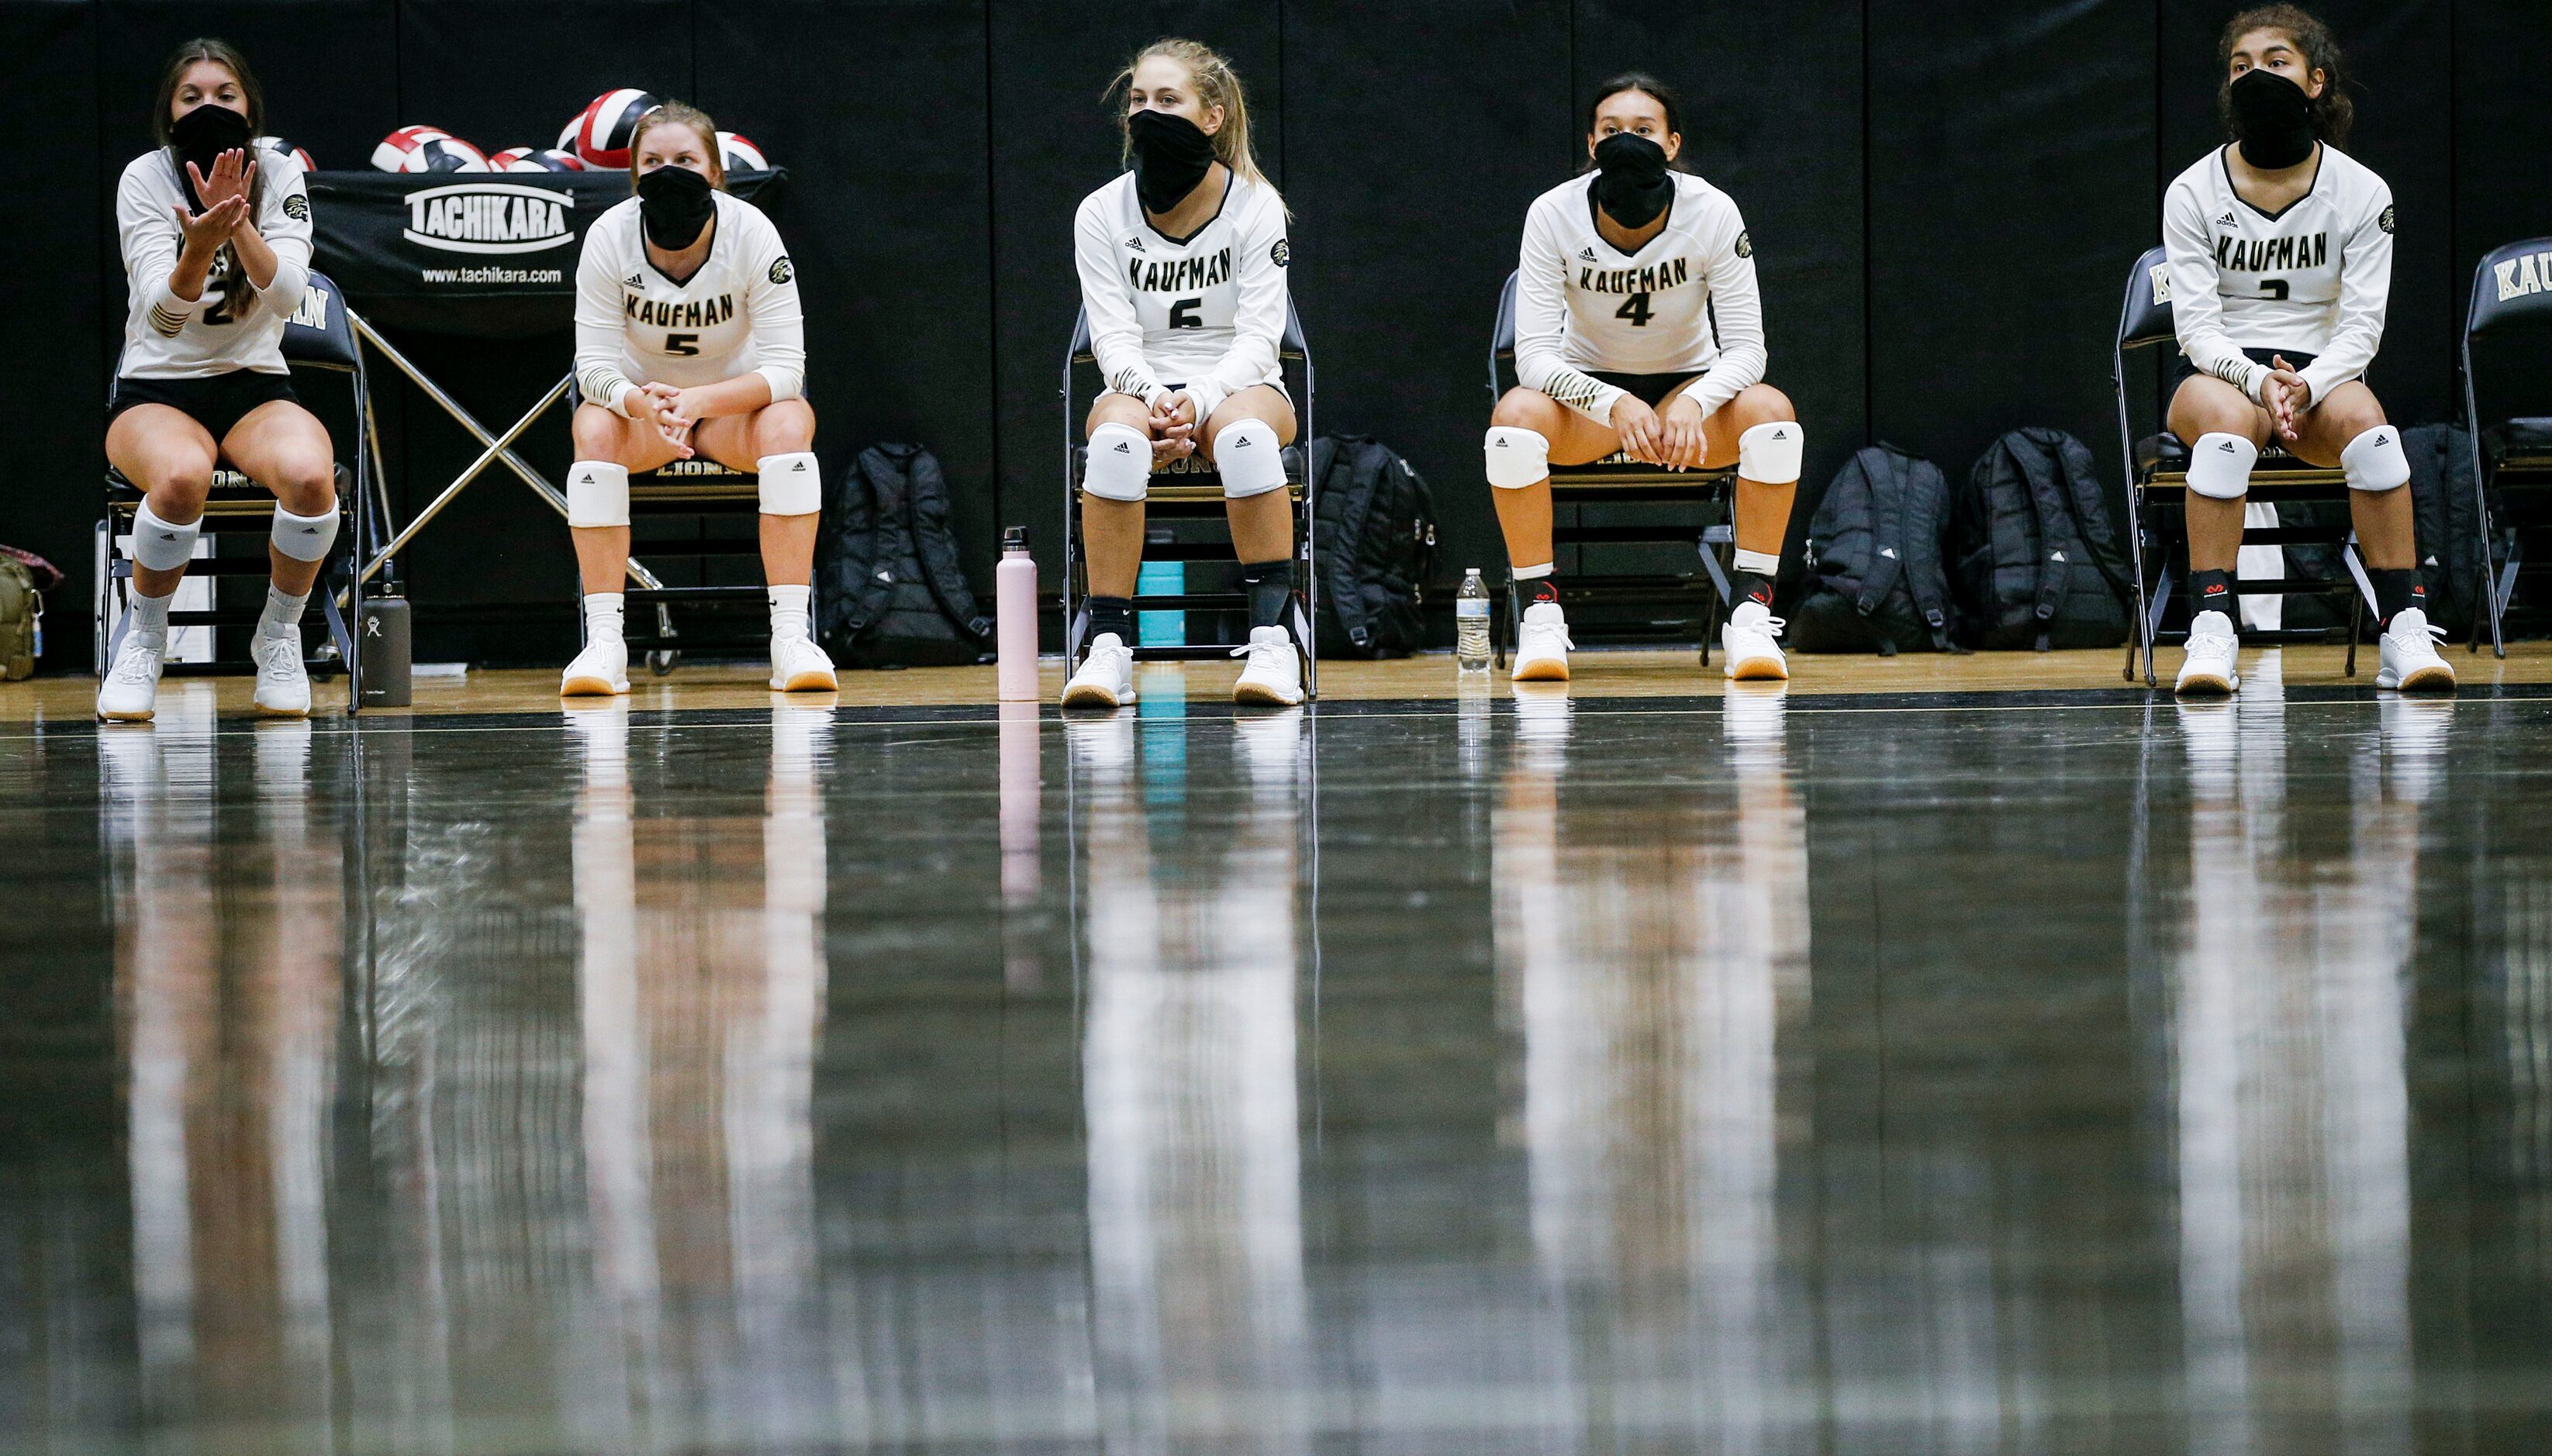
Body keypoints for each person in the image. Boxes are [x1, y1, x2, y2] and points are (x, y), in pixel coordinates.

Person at [2161, 4, 2451, 694]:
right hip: (2221, 370)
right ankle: (2212, 630)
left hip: (2321, 370)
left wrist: (2307, 385)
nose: (2254, 75)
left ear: (2316, 82)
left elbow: (2362, 328)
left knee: (2374, 435)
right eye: (2239, 66)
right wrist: (2258, 381)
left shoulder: (2361, 191)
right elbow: (2196, 329)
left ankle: (2402, 628)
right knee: (2226, 431)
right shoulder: (2191, 191)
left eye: (2275, 61)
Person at [1485, 74, 1803, 684]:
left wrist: (1694, 402)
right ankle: (1540, 615)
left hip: (1690, 394)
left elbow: (1747, 350)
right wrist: (1613, 404)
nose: (1625, 139)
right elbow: (1532, 358)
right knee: (1514, 422)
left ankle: (1750, 613)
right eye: (1611, 130)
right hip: (1589, 400)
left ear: (1673, 143)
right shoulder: (1552, 212)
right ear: (1590, 143)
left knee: (1771, 414)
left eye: (1642, 129)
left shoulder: (1711, 210)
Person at [562, 102, 835, 696]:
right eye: (653, 161)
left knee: (791, 423)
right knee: (592, 428)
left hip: (732, 412)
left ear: (715, 172)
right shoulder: (609, 236)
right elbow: (594, 368)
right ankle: (604, 642)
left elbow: (788, 369)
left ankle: (790, 637)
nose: (669, 171)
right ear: (634, 175)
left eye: (685, 160)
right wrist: (639, 403)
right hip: (645, 418)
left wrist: (703, 400)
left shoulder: (752, 231)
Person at [1063, 38, 1300, 709]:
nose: (1148, 113)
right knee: (1113, 441)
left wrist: (1194, 401)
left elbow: (1261, 340)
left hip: (1238, 379)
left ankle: (1271, 643)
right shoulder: (1099, 211)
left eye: (1169, 101)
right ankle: (1108, 648)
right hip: (1142, 380)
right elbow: (1111, 337)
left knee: (1247, 437)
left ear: (1213, 117)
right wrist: (1153, 396)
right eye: (1138, 101)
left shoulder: (1256, 206)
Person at [99, 38, 330, 722]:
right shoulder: (145, 179)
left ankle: (279, 635)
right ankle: (143, 641)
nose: (210, 107)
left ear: (250, 109)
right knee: (179, 479)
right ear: (170, 116)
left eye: (225, 96)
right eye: (192, 97)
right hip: (157, 386)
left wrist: (237, 226)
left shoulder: (281, 171)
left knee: (313, 479)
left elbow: (291, 298)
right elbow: (161, 319)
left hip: (254, 380)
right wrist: (197, 245)